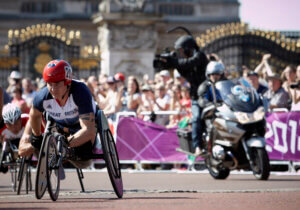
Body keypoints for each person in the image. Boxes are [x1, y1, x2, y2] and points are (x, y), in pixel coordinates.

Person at [18, 59, 96, 169]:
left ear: (67, 81)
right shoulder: (42, 97)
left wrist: (65, 144)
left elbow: (89, 130)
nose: (53, 89)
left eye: (57, 84)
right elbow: (34, 115)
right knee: (37, 143)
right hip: (60, 127)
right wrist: (37, 135)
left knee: (84, 159)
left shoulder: (80, 92)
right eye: (49, 84)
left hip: (81, 128)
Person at [160, 34, 209, 154]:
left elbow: (189, 63)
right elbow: (182, 66)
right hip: (196, 96)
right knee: (196, 118)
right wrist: (169, 63)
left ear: (188, 48)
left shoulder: (200, 56)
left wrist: (174, 61)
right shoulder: (183, 64)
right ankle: (197, 146)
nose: (180, 53)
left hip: (209, 95)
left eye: (182, 50)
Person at [197, 61, 226, 155]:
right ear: (208, 75)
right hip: (212, 113)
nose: (215, 76)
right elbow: (202, 99)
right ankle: (203, 146)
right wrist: (210, 105)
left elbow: (233, 95)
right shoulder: (205, 86)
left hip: (226, 112)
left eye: (217, 74)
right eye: (212, 74)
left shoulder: (225, 85)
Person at [0, 103, 30, 173]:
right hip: (10, 144)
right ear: (5, 123)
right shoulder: (1, 128)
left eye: (16, 123)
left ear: (20, 119)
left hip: (26, 142)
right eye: (10, 125)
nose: (14, 127)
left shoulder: (28, 120)